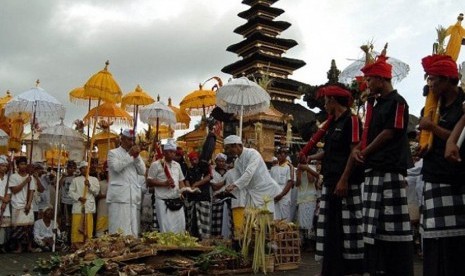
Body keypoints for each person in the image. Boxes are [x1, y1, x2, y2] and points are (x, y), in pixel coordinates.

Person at [353, 56, 414, 275]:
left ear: (380, 79)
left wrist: (365, 151)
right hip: (374, 170)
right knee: (374, 228)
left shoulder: (398, 102)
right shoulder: (375, 104)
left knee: (393, 228)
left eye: (369, 80)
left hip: (390, 170)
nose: (367, 84)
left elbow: (390, 132)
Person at [307, 85, 364, 275]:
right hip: (330, 182)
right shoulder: (331, 124)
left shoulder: (353, 121)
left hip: (346, 183)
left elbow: (354, 152)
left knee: (348, 229)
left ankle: (351, 269)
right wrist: (310, 158)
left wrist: (344, 179)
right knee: (331, 229)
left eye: (325, 101)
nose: (324, 105)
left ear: (332, 101)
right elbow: (329, 152)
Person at [419, 54, 465, 276]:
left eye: (434, 79)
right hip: (432, 175)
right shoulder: (431, 104)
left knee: (454, 245)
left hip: (454, 179)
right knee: (434, 241)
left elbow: (459, 140)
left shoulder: (461, 105)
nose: (430, 84)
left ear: (448, 80)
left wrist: (433, 128)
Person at [224, 135, 281, 214]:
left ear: (236, 145)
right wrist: (228, 189)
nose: (227, 151)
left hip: (264, 192)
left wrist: (233, 185)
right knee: (251, 222)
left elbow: (249, 173)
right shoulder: (237, 162)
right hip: (251, 194)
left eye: (228, 148)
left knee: (265, 220)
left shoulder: (253, 154)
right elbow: (239, 180)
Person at [107, 128, 145, 237]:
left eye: (133, 140)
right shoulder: (112, 153)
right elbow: (117, 167)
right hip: (119, 197)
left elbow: (142, 171)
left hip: (132, 196)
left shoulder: (135, 155)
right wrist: (129, 155)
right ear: (122, 139)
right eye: (129, 140)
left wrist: (136, 157)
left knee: (132, 229)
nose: (131, 143)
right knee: (119, 227)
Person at [146, 139, 186, 233]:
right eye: (170, 151)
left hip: (176, 200)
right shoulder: (155, 165)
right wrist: (164, 183)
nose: (172, 154)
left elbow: (181, 181)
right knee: (166, 229)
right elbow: (149, 182)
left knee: (180, 227)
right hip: (162, 201)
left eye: (174, 152)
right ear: (164, 152)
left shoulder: (177, 165)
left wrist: (183, 191)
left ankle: (178, 247)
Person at [9, 156, 37, 253]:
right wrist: (25, 181)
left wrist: (29, 204)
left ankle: (29, 246)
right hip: (17, 204)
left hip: (27, 205)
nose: (23, 166)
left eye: (25, 164)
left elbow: (32, 191)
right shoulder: (13, 177)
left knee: (28, 227)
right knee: (18, 228)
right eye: (21, 164)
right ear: (17, 166)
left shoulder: (31, 177)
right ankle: (19, 247)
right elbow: (14, 190)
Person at [68, 161, 100, 248]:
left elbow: (96, 192)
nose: (85, 170)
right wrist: (79, 197)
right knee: (76, 226)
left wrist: (89, 185)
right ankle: (75, 246)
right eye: (83, 168)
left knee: (88, 227)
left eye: (86, 168)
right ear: (80, 170)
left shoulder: (94, 180)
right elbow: (70, 192)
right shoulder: (75, 180)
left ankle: (87, 246)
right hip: (78, 206)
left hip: (88, 207)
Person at [184, 151, 212, 238]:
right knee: (192, 223)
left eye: (195, 159)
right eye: (191, 160)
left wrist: (197, 184)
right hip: (192, 199)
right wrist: (191, 189)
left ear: (198, 159)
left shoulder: (204, 167)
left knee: (204, 223)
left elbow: (208, 177)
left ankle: (205, 240)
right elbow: (187, 182)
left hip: (203, 198)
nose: (193, 161)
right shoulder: (189, 170)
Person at [295, 156, 319, 251]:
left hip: (310, 198)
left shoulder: (311, 168)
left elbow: (311, 180)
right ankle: (304, 243)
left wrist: (307, 168)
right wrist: (300, 171)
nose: (302, 160)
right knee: (302, 222)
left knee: (309, 222)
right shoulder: (298, 170)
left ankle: (310, 244)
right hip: (301, 198)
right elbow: (297, 183)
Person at [270, 147, 294, 221]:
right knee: (275, 221)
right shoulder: (273, 168)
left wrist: (281, 195)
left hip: (284, 199)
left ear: (286, 155)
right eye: (278, 154)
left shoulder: (289, 167)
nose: (279, 156)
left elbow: (290, 183)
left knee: (285, 222)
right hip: (274, 199)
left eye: (281, 154)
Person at [210, 153, 229, 236]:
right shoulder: (212, 172)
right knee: (216, 222)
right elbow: (214, 187)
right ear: (216, 161)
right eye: (219, 161)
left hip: (227, 200)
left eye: (223, 161)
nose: (221, 163)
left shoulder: (228, 172)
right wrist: (225, 181)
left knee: (225, 222)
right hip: (216, 200)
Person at [59, 160, 77, 243]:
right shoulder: (63, 177)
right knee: (65, 221)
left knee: (73, 221)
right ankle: (65, 239)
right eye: (70, 168)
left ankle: (72, 239)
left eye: (73, 168)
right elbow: (57, 186)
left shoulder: (76, 178)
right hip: (65, 201)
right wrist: (62, 177)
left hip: (74, 202)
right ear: (67, 168)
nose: (71, 169)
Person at [0, 155, 11, 252]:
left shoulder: (8, 178)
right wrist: (2, 199)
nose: (4, 168)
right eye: (2, 166)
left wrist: (6, 200)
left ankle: (2, 245)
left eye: (5, 166)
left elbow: (9, 191)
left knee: (3, 227)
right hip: (2, 201)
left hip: (5, 205)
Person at [95, 162, 109, 237]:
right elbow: (96, 195)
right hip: (102, 206)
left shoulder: (115, 184)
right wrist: (105, 195)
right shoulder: (100, 183)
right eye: (107, 173)